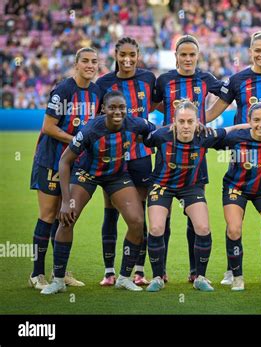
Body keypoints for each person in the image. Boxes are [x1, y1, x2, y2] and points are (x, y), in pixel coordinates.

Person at [40, 91, 156, 295]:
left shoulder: (136, 123)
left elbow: (155, 133)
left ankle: (123, 278)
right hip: (87, 174)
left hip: (117, 176)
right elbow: (65, 161)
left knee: (137, 221)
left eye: (121, 107)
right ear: (104, 109)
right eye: (113, 108)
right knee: (68, 218)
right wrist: (66, 201)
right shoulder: (91, 130)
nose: (118, 112)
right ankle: (58, 280)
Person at [206, 31, 261, 285]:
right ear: (251, 52)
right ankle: (232, 271)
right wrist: (195, 123)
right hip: (241, 153)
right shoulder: (237, 79)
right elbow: (214, 111)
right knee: (235, 219)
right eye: (258, 50)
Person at [141, 101, 247, 292]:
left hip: (190, 187)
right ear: (173, 122)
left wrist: (257, 125)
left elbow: (232, 129)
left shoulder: (204, 135)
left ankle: (200, 277)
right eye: (181, 121)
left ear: (197, 122)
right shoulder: (160, 135)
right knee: (156, 227)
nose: (186, 126)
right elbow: (142, 138)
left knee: (203, 227)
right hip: (162, 186)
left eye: (190, 121)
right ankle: (157, 277)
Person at [153, 35, 224, 283]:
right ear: (176, 57)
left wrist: (206, 116)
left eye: (192, 54)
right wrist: (175, 118)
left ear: (197, 56)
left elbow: (228, 94)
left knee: (195, 218)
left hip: (196, 157)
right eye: (183, 54)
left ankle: (195, 272)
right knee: (164, 216)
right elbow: (152, 103)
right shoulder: (164, 80)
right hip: (166, 155)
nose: (187, 59)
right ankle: (160, 272)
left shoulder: (205, 79)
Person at [29, 47, 101, 290]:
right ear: (76, 65)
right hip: (51, 159)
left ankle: (60, 272)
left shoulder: (96, 91)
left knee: (66, 216)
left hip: (74, 162)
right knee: (48, 215)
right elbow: (48, 126)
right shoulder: (63, 90)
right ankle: (36, 274)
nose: (90, 65)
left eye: (94, 61)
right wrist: (75, 139)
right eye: (86, 61)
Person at [96, 37, 156, 286]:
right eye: (123, 55)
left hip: (141, 156)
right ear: (116, 54)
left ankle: (139, 270)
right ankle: (109, 272)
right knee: (110, 212)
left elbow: (157, 104)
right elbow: (97, 117)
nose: (128, 59)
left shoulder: (148, 79)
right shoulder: (104, 83)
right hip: (113, 157)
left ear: (138, 53)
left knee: (138, 213)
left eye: (132, 54)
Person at [215, 102, 261, 291]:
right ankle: (237, 277)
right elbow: (211, 136)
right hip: (236, 188)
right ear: (248, 121)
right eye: (256, 120)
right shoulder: (236, 137)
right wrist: (236, 127)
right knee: (234, 229)